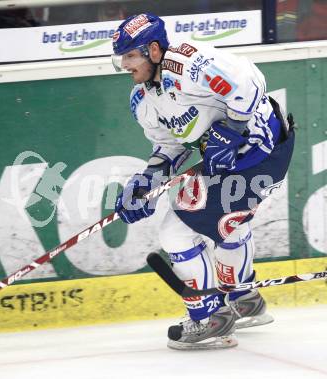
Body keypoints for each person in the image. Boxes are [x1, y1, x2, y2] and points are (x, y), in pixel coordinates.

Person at [111, 13, 295, 350]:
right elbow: (171, 146)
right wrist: (145, 181)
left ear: (153, 49)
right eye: (121, 57)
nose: (124, 64)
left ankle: (209, 318)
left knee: (175, 231)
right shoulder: (143, 100)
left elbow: (251, 85)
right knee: (226, 223)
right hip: (239, 163)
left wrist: (231, 133)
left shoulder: (191, 63)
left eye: (130, 55)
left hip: (260, 151)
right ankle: (243, 300)